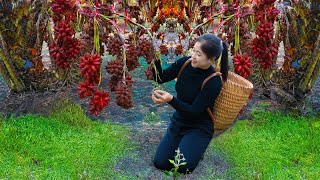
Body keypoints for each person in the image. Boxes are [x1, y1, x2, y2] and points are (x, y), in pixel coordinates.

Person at [151, 33, 229, 174]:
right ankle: (188, 146)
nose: (193, 56)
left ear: (211, 59)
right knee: (160, 163)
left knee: (182, 167)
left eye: (198, 54)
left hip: (199, 127)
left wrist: (171, 100)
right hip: (179, 122)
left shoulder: (214, 81)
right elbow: (160, 77)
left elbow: (194, 111)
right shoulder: (185, 63)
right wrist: (154, 57)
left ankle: (197, 147)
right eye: (193, 50)